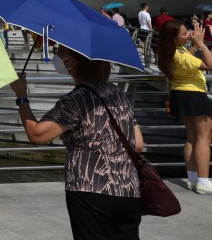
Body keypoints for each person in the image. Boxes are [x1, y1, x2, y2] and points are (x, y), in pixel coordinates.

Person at [9, 47, 143, 239]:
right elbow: (138, 143)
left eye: (61, 52)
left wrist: (21, 95)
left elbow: (37, 134)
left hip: (89, 187)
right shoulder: (117, 94)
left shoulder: (74, 100)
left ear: (73, 62)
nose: (57, 55)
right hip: (127, 187)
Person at [156, 19, 212, 194]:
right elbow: (210, 65)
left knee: (191, 137)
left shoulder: (171, 52)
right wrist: (201, 43)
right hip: (194, 94)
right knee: (204, 138)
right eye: (184, 33)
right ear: (174, 38)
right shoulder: (180, 56)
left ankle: (193, 178)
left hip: (180, 94)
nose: (188, 34)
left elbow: (187, 58)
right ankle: (203, 181)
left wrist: (193, 46)